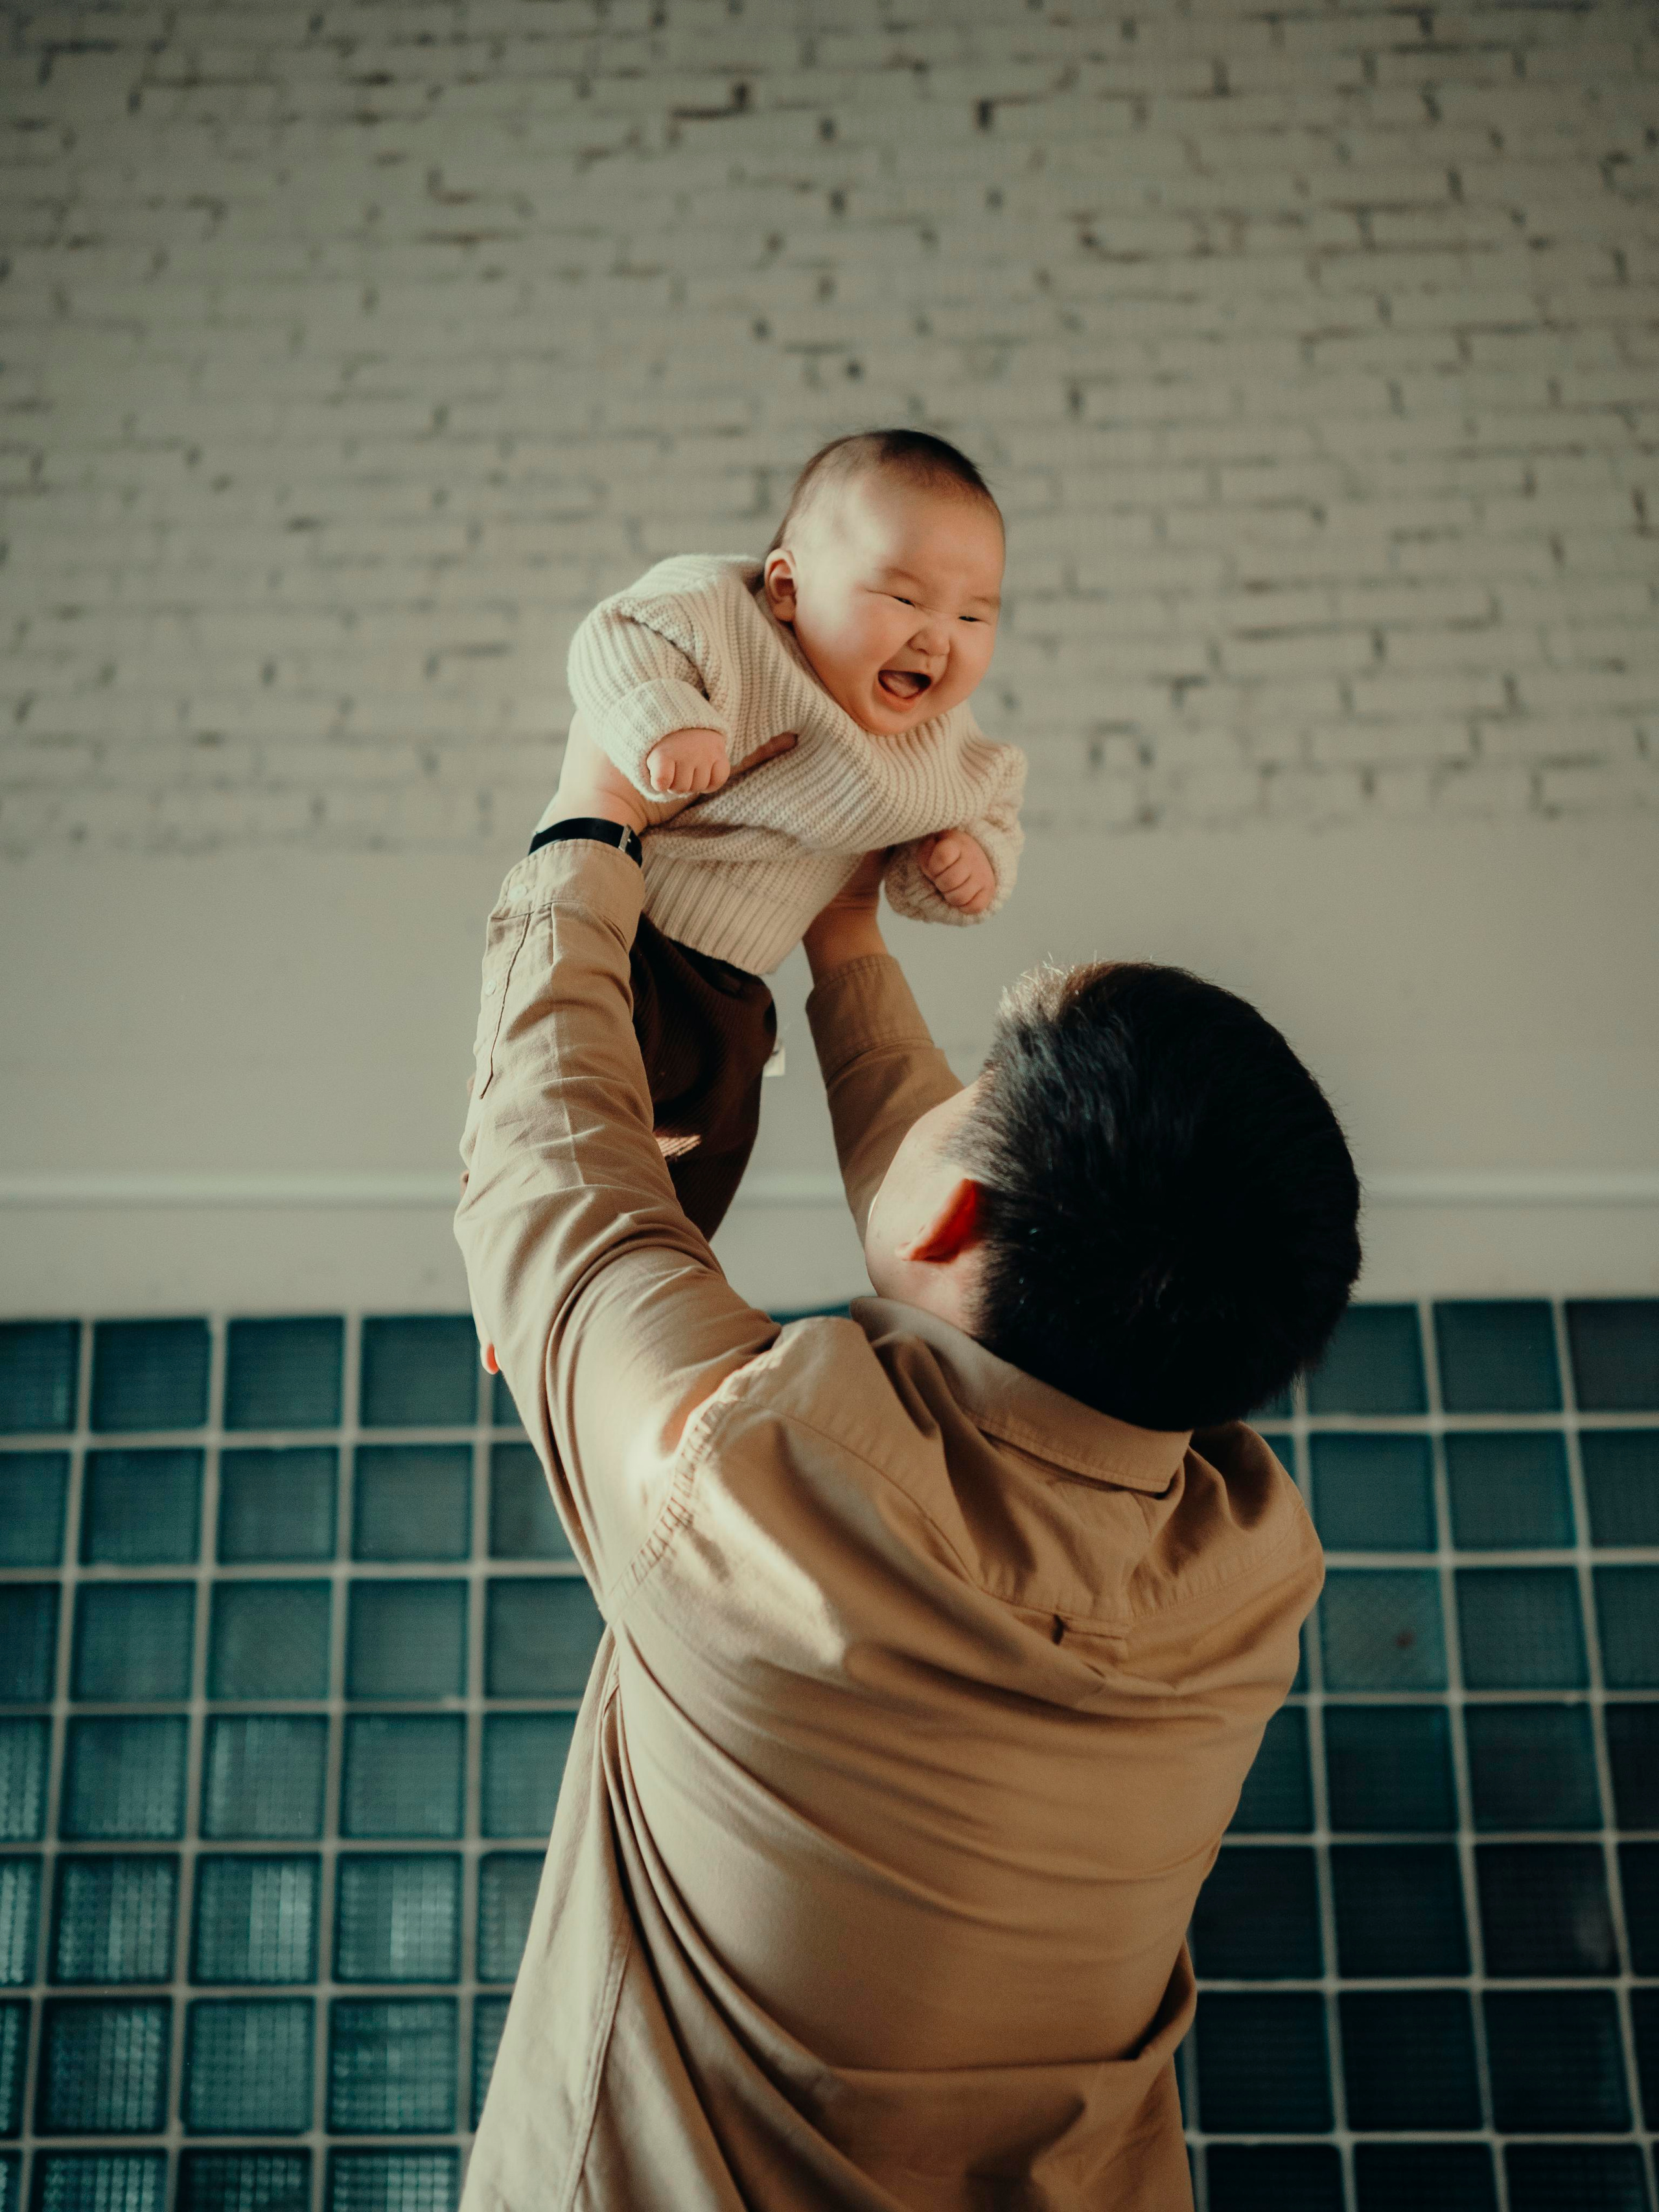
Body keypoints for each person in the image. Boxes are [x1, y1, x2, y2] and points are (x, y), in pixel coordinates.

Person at [454, 733, 1360, 2211]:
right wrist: (843, 933)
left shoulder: (750, 1481)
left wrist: (592, 807)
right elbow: (965, 1228)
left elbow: (559, 1176)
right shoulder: (1248, 1577)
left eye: (983, 1081)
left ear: (959, 1211)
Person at [550, 427, 1025, 1237]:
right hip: (626, 940)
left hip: (738, 995)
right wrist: (664, 719)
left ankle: (677, 1263)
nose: (937, 635)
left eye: (974, 613)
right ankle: (544, 1246)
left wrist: (966, 860)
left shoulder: (937, 740)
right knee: (568, 1134)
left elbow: (988, 797)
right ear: (786, 588)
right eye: (904, 599)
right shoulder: (728, 621)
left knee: (703, 1173)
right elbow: (614, 633)